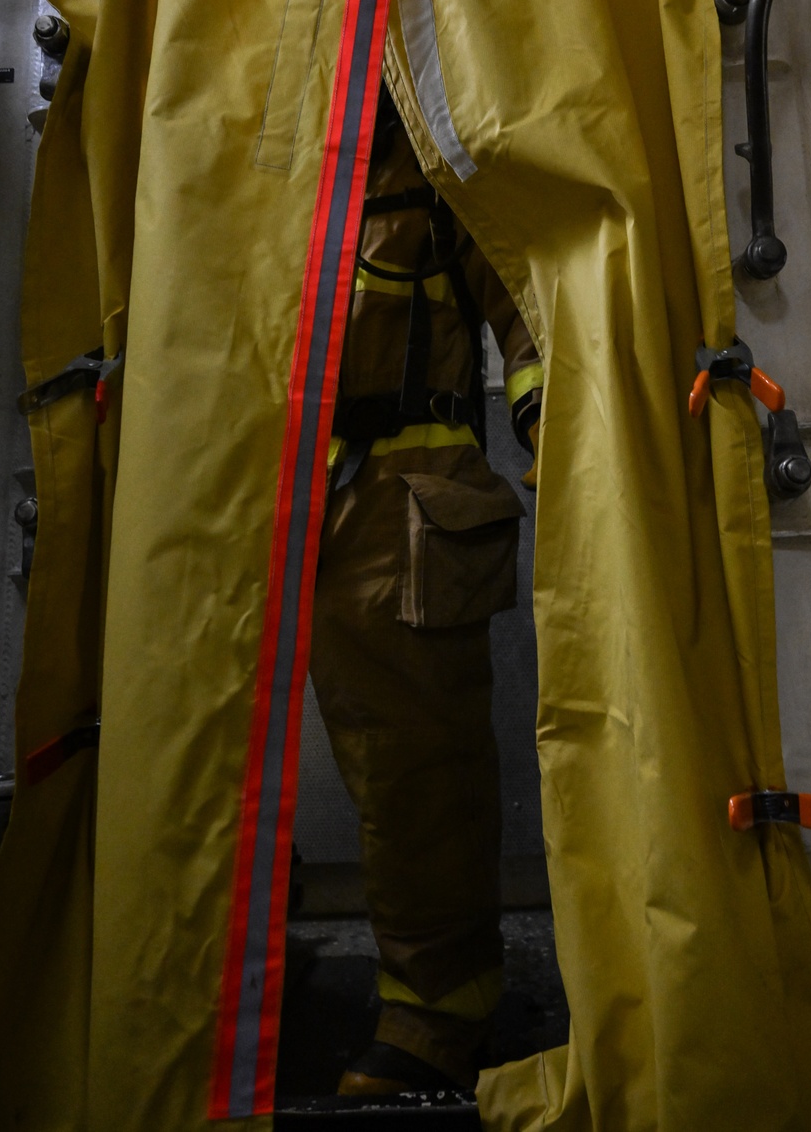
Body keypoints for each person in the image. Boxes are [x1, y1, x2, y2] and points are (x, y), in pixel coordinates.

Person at [308, 82, 543, 1095]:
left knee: (416, 779)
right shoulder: (247, 171)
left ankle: (438, 1016)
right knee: (205, 762)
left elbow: (533, 311)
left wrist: (559, 435)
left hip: (402, 507)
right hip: (255, 499)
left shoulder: (452, 171)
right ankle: (217, 983)